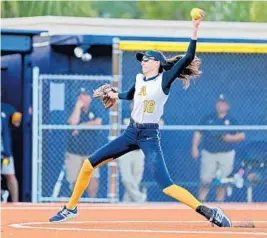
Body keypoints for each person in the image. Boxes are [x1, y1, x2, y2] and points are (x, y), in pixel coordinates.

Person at [50, 10, 232, 227]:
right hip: (130, 133)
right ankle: (71, 208)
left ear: (156, 63)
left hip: (148, 135)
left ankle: (209, 211)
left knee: (166, 185)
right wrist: (114, 95)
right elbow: (130, 94)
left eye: (147, 60)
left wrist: (194, 28)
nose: (143, 63)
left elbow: (188, 58)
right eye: (142, 60)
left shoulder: (164, 79)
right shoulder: (140, 79)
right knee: (89, 164)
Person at [191, 95, 245, 202]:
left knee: (223, 182)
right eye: (219, 103)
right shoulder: (208, 119)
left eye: (223, 103)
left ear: (228, 106)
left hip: (226, 154)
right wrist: (194, 147)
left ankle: (220, 205)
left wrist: (230, 138)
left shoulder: (232, 120)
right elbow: (198, 133)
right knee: (205, 180)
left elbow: (242, 135)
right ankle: (201, 203)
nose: (220, 105)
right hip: (209, 153)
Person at [65, 89, 102, 198]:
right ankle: (75, 204)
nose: (81, 98)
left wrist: (81, 126)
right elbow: (73, 124)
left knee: (93, 179)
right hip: (74, 152)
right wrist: (77, 108)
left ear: (90, 98)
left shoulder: (94, 109)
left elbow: (98, 123)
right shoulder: (72, 109)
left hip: (91, 152)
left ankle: (93, 203)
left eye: (84, 95)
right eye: (80, 95)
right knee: (75, 180)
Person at [1, 103, 22, 202]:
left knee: (10, 175)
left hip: (5, 153)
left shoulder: (6, 107)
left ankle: (15, 203)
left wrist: (17, 117)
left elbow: (17, 121)